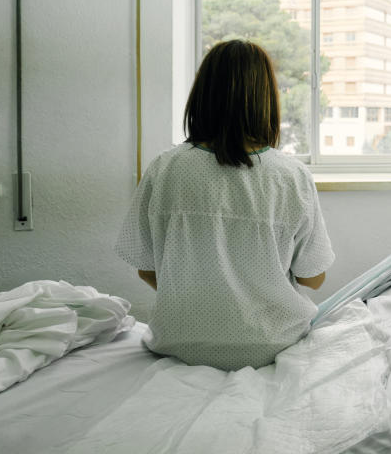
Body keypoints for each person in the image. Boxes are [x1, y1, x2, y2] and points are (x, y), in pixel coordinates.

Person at [115, 39, 334, 370]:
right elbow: (312, 278)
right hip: (272, 345)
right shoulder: (291, 176)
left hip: (180, 343)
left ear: (201, 95)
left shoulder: (165, 168)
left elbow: (145, 267)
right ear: (266, 100)